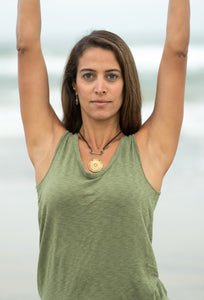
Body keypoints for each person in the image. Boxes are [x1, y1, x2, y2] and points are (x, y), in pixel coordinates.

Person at [16, 0, 190, 299]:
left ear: (126, 84)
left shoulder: (149, 150)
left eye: (112, 75)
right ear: (73, 85)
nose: (100, 87)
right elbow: (26, 47)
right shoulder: (48, 146)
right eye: (88, 75)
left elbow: (177, 52)